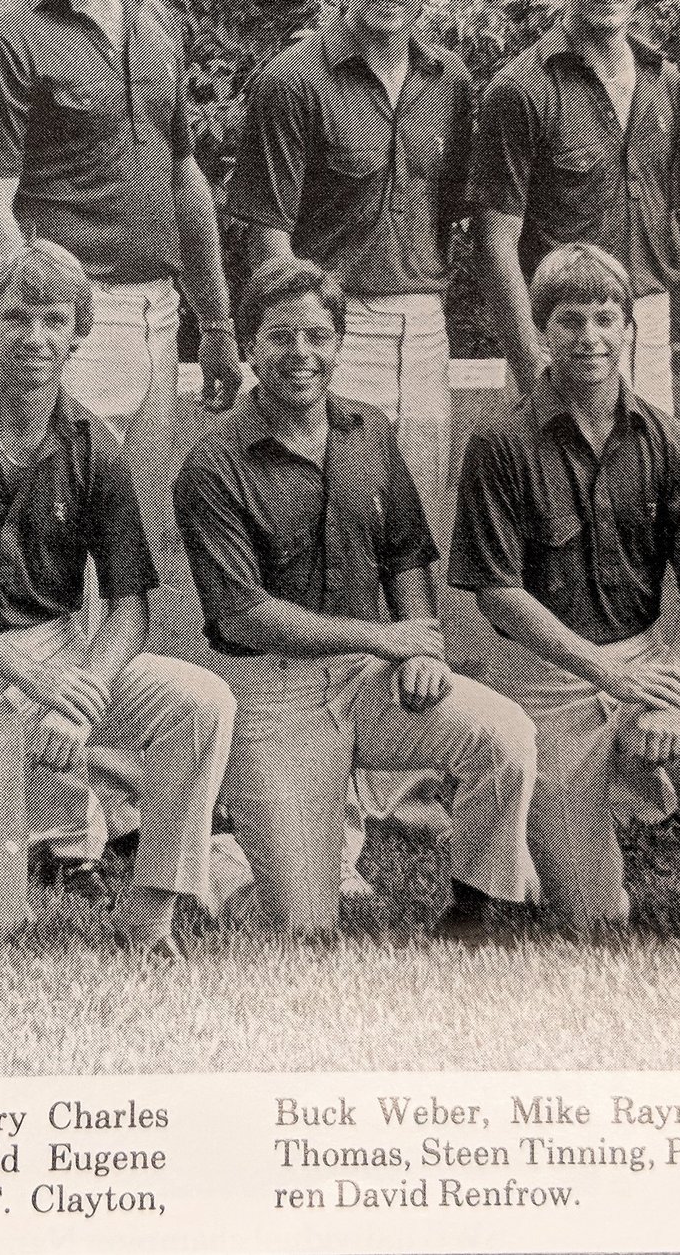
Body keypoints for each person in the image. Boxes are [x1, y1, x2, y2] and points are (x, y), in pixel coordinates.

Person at [0, 0, 241, 877]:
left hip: (159, 318)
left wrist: (217, 322)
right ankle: (51, 825)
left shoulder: (155, 24)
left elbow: (184, 181)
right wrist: (30, 339)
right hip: (67, 321)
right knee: (41, 569)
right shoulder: (3, 32)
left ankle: (117, 803)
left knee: (122, 559)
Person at [0, 242, 234, 955]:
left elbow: (130, 603)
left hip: (64, 657)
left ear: (78, 333)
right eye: (17, 317)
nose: (35, 337)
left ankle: (152, 919)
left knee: (202, 701)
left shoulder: (96, 444)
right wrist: (36, 680)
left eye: (54, 320)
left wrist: (86, 691)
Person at [174, 258, 536, 940]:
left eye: (317, 335)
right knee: (303, 929)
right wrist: (383, 640)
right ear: (250, 346)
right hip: (274, 692)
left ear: (340, 343)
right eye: (280, 337)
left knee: (504, 735)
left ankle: (476, 909)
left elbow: (404, 553)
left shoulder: (369, 430)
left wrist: (420, 645)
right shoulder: (212, 463)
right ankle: (225, 865)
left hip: (372, 678)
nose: (300, 354)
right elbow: (243, 616)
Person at [225, 0, 471, 892]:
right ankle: (327, 818)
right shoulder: (292, 80)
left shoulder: (453, 80)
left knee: (408, 538)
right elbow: (268, 232)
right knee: (333, 555)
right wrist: (296, 344)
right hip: (335, 326)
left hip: (424, 323)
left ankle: (403, 783)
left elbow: (450, 213)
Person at [449, 244, 680, 950]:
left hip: (651, 663)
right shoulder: (500, 442)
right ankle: (544, 849)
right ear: (541, 330)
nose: (590, 338)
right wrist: (610, 677)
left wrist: (672, 688)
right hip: (546, 680)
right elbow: (499, 594)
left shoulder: (675, 442)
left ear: (630, 327)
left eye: (606, 318)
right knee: (592, 923)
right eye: (570, 320)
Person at [472, 0, 680, 410]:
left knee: (648, 487)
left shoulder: (664, 81)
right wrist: (533, 367)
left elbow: (670, 223)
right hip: (564, 332)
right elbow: (496, 242)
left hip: (649, 327)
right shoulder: (521, 89)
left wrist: (678, 350)